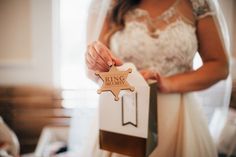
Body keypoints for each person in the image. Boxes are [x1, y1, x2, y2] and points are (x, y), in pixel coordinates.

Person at [84, 0, 229, 156]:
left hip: (179, 118)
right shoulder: (107, 4)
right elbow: (92, 69)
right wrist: (114, 71)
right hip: (123, 114)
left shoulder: (197, 3)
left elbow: (220, 66)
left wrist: (168, 83)